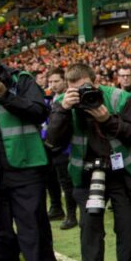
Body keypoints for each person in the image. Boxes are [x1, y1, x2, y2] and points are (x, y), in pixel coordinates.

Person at [47, 63, 131, 261]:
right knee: (89, 230)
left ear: (96, 80)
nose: (81, 95)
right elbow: (53, 141)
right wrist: (63, 109)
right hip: (87, 172)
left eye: (85, 89)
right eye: (75, 90)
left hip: (123, 171)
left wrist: (107, 119)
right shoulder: (63, 103)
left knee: (127, 227)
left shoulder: (118, 97)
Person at [0, 63, 64, 261]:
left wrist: (5, 96)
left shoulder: (22, 80)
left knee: (34, 229)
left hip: (25, 167)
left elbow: (39, 112)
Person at [46, 67, 78, 230]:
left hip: (66, 148)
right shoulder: (51, 99)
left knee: (68, 184)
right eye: (50, 82)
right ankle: (58, 209)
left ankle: (71, 216)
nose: (53, 85)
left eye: (56, 81)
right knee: (58, 181)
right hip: (54, 148)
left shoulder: (68, 100)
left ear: (65, 81)